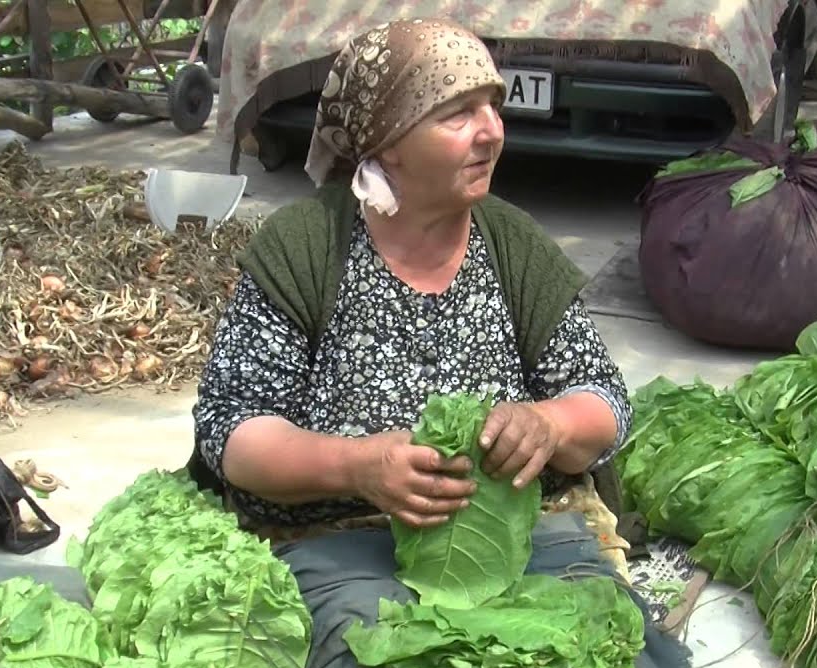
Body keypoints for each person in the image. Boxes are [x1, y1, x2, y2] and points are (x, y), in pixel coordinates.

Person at [187, 16, 632, 538]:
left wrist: (551, 425)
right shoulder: (306, 247)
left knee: (606, 620)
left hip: (508, 535)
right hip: (341, 537)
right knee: (367, 622)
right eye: (459, 114)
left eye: (493, 106)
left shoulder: (513, 244)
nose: (491, 131)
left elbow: (604, 399)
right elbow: (233, 430)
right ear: (389, 140)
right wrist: (357, 467)